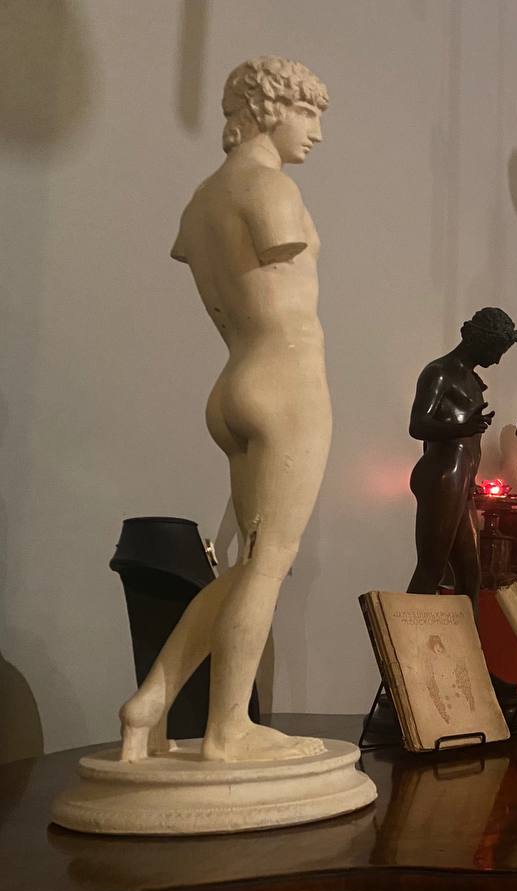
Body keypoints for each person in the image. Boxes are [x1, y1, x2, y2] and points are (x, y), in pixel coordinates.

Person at [120, 57, 331, 762]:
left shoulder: (201, 203)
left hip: (233, 382)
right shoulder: (270, 189)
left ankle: (150, 702)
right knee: (269, 565)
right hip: (288, 383)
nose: (316, 132)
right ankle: (228, 730)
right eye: (307, 112)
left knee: (246, 567)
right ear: (268, 108)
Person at [407, 308, 517, 608]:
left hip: (462, 479)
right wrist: (462, 428)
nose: (497, 360)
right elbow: (417, 426)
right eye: (496, 351)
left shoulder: (471, 380)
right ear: (479, 340)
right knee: (431, 568)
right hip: (444, 475)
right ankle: (408, 635)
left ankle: (469, 638)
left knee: (471, 574)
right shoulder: (439, 372)